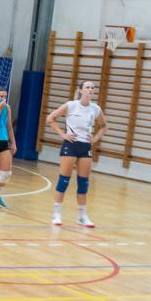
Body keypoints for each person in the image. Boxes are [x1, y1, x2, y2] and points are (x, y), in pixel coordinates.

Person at [45, 80, 107, 227]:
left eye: (92, 88)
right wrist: (62, 134)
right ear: (80, 90)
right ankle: (56, 214)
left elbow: (103, 126)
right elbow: (50, 119)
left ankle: (82, 216)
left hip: (85, 147)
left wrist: (95, 138)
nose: (90, 89)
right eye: (87, 87)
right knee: (64, 180)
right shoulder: (71, 105)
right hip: (71, 145)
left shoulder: (95, 109)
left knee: (83, 183)